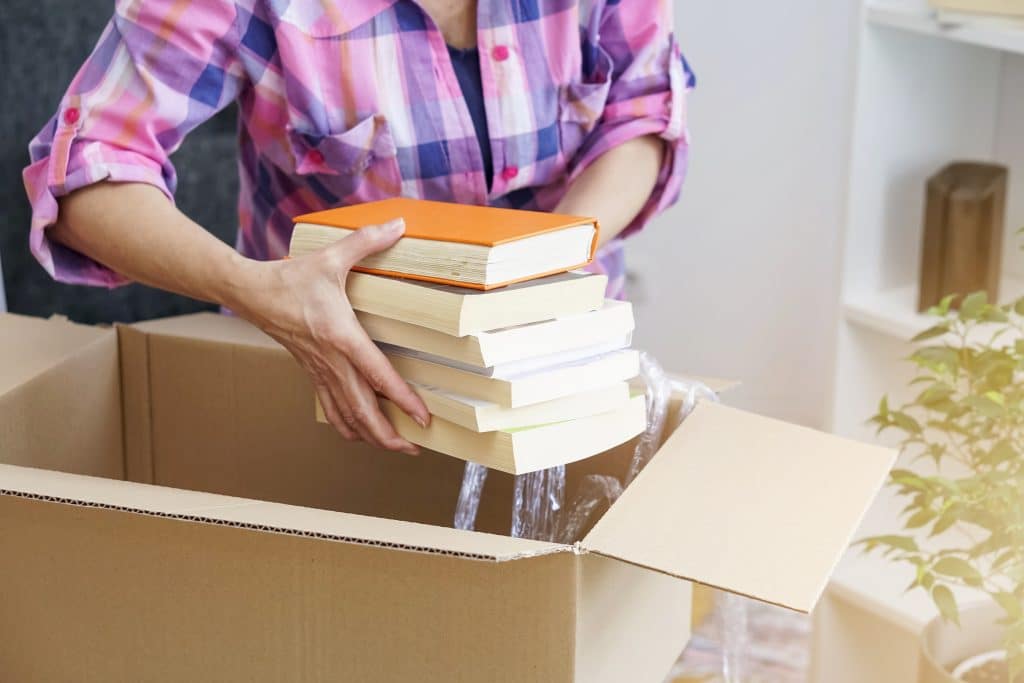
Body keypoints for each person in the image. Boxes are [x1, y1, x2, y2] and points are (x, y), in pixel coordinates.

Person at [23, 0, 693, 456]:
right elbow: (87, 173)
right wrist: (255, 287)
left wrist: (545, 262)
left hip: (564, 374)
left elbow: (641, 113)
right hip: (328, 391)